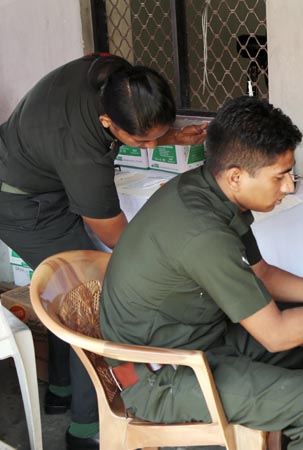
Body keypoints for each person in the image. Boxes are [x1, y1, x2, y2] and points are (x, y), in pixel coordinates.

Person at [99, 96, 303, 450]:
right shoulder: (202, 233)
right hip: (159, 375)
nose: (289, 186)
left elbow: (262, 274)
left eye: (290, 173)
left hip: (199, 340)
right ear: (236, 176)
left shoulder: (209, 191)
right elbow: (276, 335)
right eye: (280, 176)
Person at [0, 53, 207, 449]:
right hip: (20, 203)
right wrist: (156, 263)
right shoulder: (81, 149)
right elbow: (116, 237)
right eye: (142, 142)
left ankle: (60, 391)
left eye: (155, 135)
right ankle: (87, 426)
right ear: (107, 125)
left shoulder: (118, 80)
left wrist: (172, 137)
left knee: (62, 290)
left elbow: (136, 128)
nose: (150, 145)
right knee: (91, 299)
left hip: (38, 177)